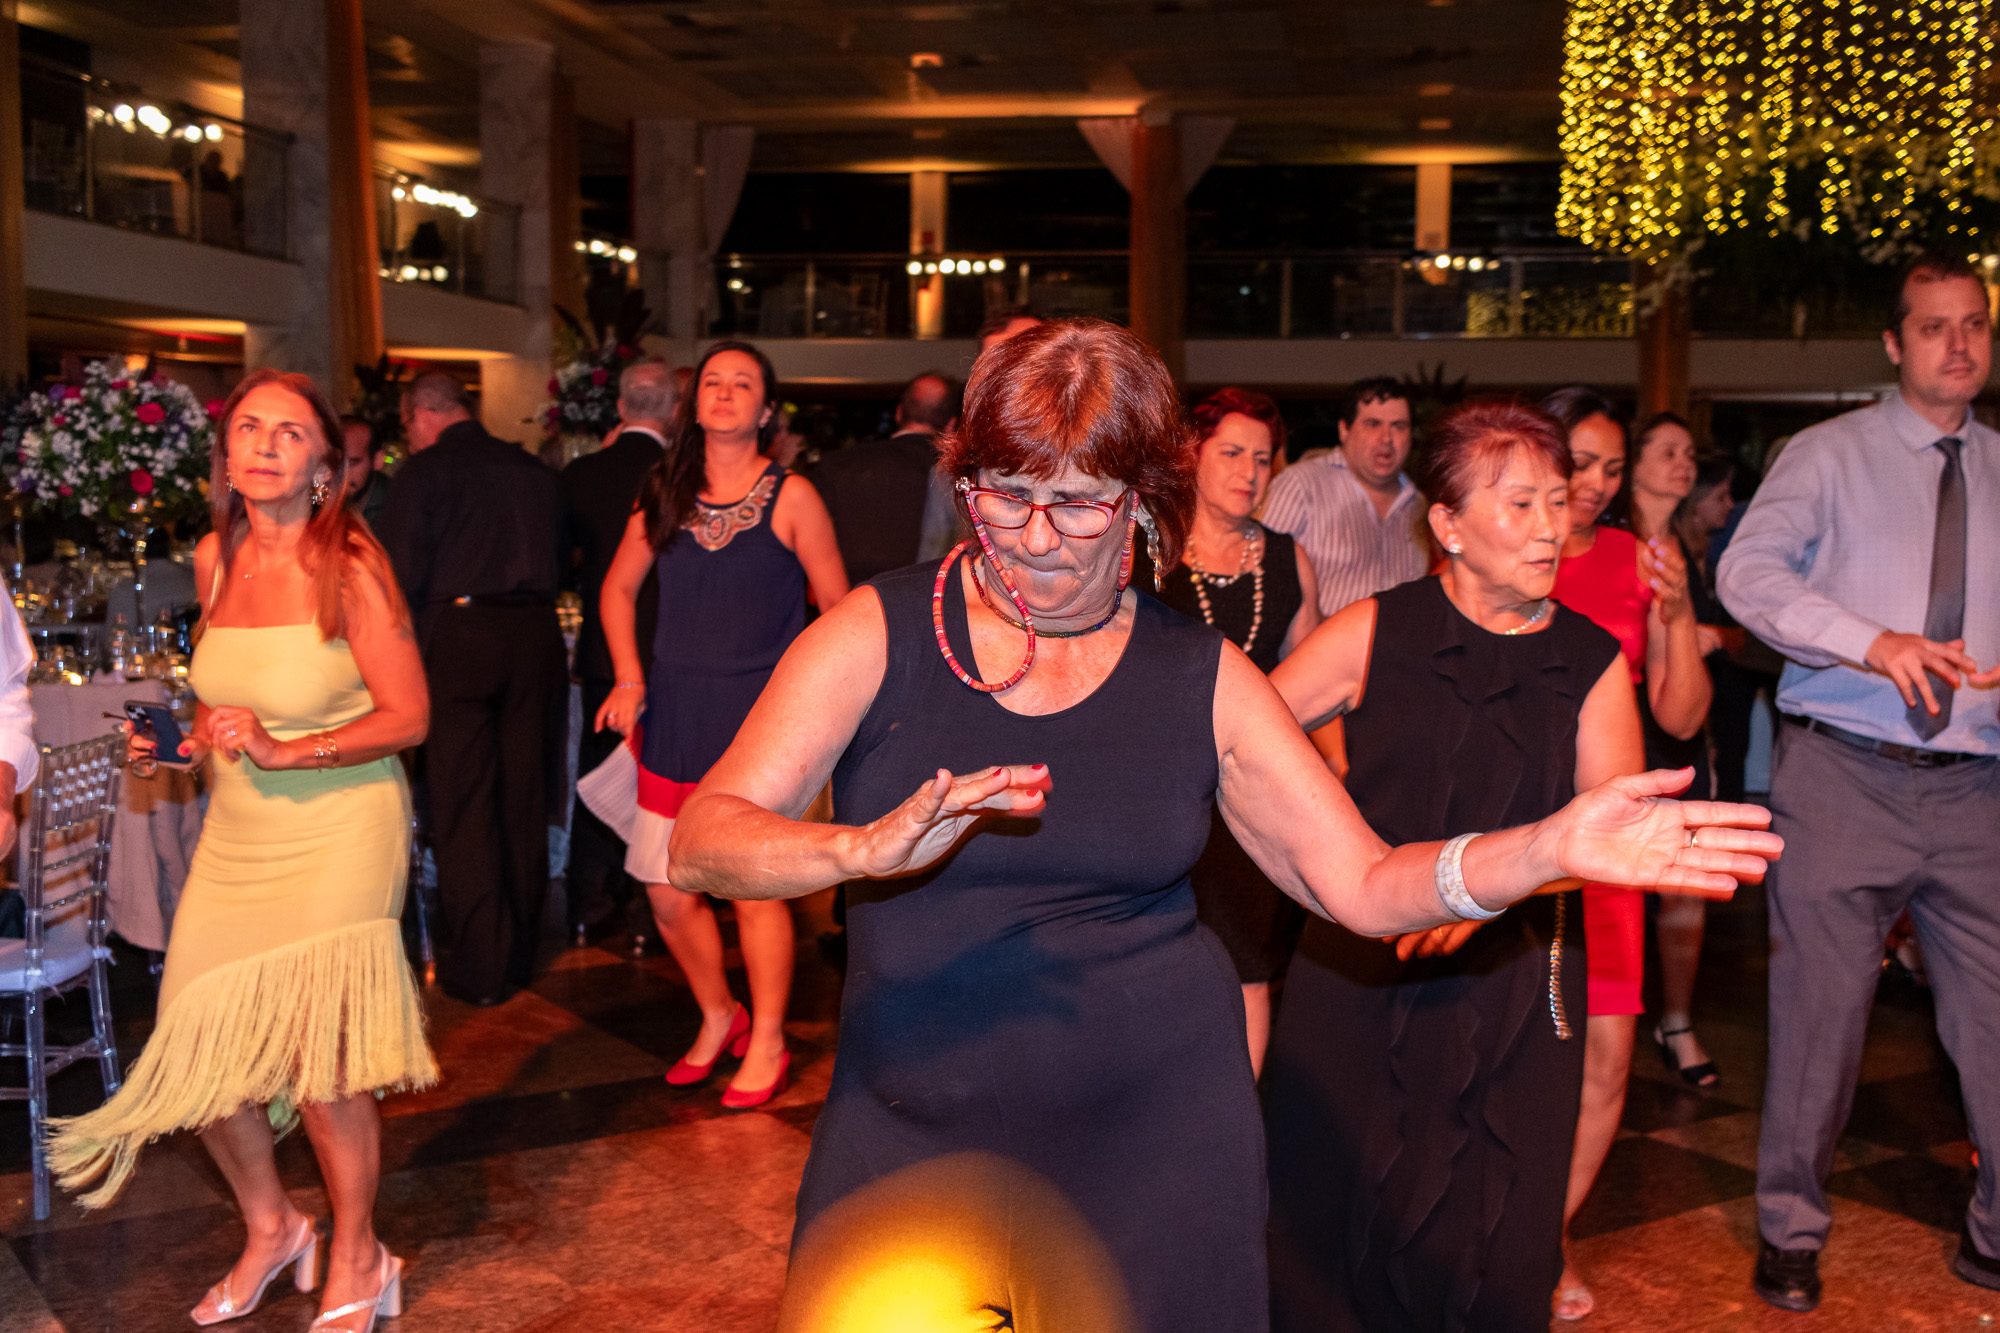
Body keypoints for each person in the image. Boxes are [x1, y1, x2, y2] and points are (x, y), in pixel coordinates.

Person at [661, 319, 1779, 1330]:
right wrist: (853, 848)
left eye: (1079, 502)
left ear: (1142, 501)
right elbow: (703, 835)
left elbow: (1360, 884)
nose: (1036, 536)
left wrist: (1543, 848)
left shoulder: (1201, 678)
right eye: (1004, 494)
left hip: (1150, 1140)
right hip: (911, 1128)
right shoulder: (879, 633)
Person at [51, 369, 434, 1332]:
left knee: (323, 1064)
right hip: (240, 831)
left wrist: (288, 749)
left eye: (290, 432)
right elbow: (223, 706)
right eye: (249, 427)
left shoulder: (353, 564)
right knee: (201, 1043)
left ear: (324, 464)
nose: (265, 444)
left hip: (344, 827)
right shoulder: (214, 555)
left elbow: (409, 716)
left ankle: (360, 1252)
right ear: (225, 454)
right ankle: (275, 1227)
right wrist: (178, 743)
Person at [1262, 399, 1635, 1331]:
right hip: (1362, 962)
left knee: (1492, 1213)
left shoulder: (1590, 660)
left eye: (1559, 501)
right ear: (1450, 525)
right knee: (1331, 1188)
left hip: (1517, 974)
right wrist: (1326, 829)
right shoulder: (1373, 631)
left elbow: (1612, 832)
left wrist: (1492, 892)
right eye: (1521, 504)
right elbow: (1244, 747)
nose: (1550, 526)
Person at [1718, 253, 2000, 1312]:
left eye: (1973, 324)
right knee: (1819, 1024)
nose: (1958, 345)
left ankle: (1994, 1236)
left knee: (1993, 1026)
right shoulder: (1826, 455)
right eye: (1933, 326)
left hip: (1976, 788)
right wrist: (1869, 641)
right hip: (1843, 774)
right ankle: (1789, 1233)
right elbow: (1745, 575)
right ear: (1892, 342)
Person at [596, 340, 848, 1108]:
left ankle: (767, 1038)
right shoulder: (664, 489)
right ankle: (719, 1014)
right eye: (713, 381)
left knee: (754, 893)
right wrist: (629, 677)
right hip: (675, 712)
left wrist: (816, 704)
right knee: (668, 891)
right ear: (693, 402)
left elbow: (841, 611)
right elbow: (617, 589)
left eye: (743, 383)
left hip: (758, 724)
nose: (726, 392)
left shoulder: (793, 496)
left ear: (767, 409)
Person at [1540, 385, 1712, 1321]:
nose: (1598, 484)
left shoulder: (1637, 558)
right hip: (1515, 842)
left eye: (1612, 467)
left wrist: (1677, 611)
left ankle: (1547, 1235)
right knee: (1503, 1052)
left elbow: (1680, 715)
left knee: (1607, 1059)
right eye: (1581, 462)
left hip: (1611, 847)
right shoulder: (1501, 549)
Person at [376, 371, 566, 1007]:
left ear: (421, 414)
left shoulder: (426, 472)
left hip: (458, 637)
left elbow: (397, 575)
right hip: (538, 635)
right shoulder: (533, 471)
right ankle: (520, 955)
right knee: (523, 796)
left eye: (407, 423)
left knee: (464, 802)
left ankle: (482, 968)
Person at [1151, 387, 1319, 1076]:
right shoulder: (1147, 551)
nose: (1250, 471)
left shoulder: (1287, 560)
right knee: (1154, 960)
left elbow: (1318, 691)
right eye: (1231, 453)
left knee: (1248, 969)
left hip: (1252, 797)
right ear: (1191, 454)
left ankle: (1237, 1123)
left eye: (1262, 457)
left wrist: (1334, 780)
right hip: (1158, 794)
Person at [1614, 413, 1732, 1098]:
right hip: (1618, 722)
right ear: (1633, 466)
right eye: (1668, 452)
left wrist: (1702, 634)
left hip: (1678, 727)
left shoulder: (1691, 544)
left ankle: (1677, 1020)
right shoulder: (1606, 542)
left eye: (1689, 453)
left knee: (1687, 880)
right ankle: (1607, 1013)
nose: (1684, 463)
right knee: (1611, 883)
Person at [561, 361, 675, 947]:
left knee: (599, 777)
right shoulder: (685, 476)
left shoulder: (582, 474)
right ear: (674, 410)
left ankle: (588, 904)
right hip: (670, 654)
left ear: (621, 407)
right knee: (660, 784)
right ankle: (649, 913)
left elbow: (560, 565)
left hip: (607, 657)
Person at [1262, 376, 1429, 618]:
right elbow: (1263, 578)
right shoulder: (1301, 485)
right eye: (1373, 424)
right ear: (1344, 430)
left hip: (1402, 642)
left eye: (1399, 426)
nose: (1386, 438)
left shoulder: (1418, 503)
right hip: (1319, 641)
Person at [807, 372, 962, 584]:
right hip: (924, 596)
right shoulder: (957, 475)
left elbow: (810, 541)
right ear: (951, 425)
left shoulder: (838, 464)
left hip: (847, 595)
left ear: (899, 414)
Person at [340, 415, 390, 530]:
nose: (341, 474)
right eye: (334, 463)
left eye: (352, 463)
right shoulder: (317, 500)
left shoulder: (397, 507)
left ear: (377, 460)